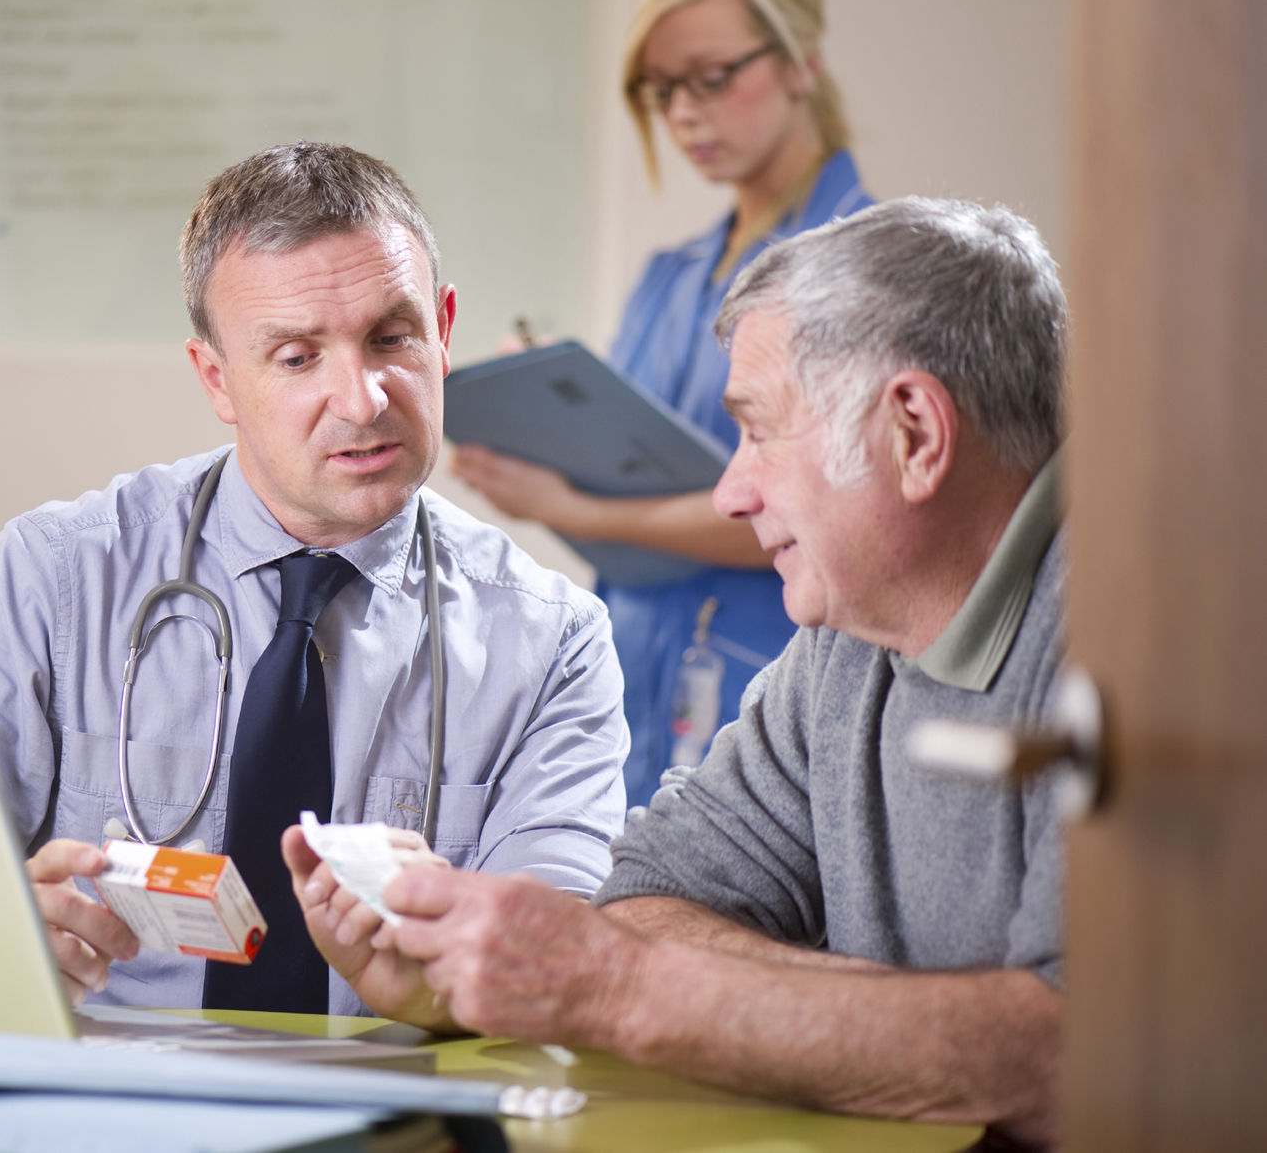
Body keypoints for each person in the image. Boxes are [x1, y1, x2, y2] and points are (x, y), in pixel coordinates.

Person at [362, 199, 1069, 1149]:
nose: (732, 494)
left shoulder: (1155, 642)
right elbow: (649, 897)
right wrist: (923, 1026)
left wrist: (621, 988)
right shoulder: (847, 640)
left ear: (915, 435)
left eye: (758, 432)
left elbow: (1073, 1062)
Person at [0, 142, 627, 1019]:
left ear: (444, 329)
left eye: (393, 337)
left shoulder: (553, 642)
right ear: (217, 379)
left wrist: (447, 980)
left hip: (395, 1111)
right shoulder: (55, 577)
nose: (362, 400)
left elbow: (557, 959)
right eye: (297, 356)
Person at [453, 0, 872, 806]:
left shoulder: (866, 267)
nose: (684, 113)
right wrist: (543, 427)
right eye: (661, 91)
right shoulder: (669, 275)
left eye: (711, 78)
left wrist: (573, 509)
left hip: (773, 682)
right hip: (640, 672)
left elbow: (817, 509)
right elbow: (626, 475)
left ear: (802, 64)